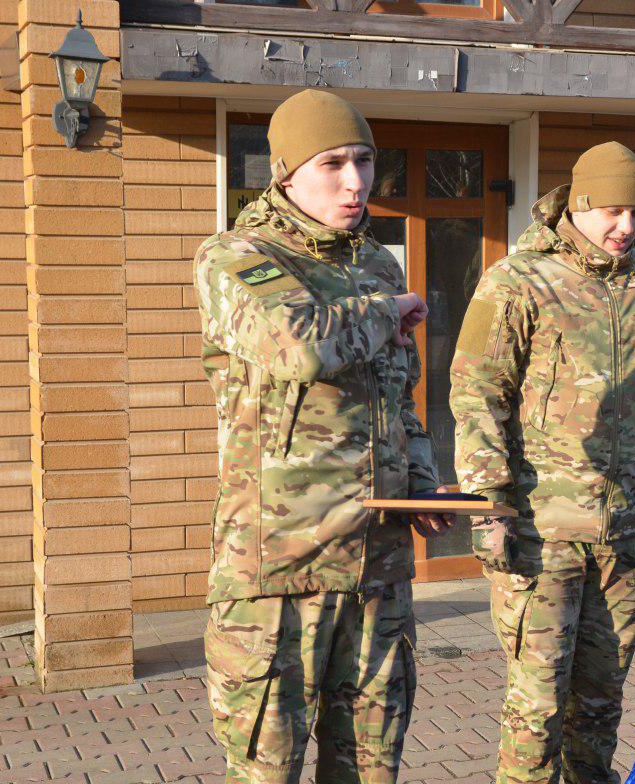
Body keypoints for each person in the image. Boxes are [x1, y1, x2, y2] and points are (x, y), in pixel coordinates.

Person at [193, 88, 453, 784]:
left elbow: (400, 402)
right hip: (279, 573)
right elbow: (297, 345)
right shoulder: (238, 257)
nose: (356, 181)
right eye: (332, 162)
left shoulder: (376, 265)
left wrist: (422, 480)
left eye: (365, 161)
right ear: (285, 173)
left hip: (376, 568)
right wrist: (385, 309)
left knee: (371, 769)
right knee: (267, 772)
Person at [449, 142, 635, 784]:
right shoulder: (519, 280)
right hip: (541, 536)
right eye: (614, 211)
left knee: (599, 704)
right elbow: (477, 392)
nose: (627, 227)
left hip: (621, 536)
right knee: (537, 710)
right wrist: (489, 507)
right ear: (580, 203)